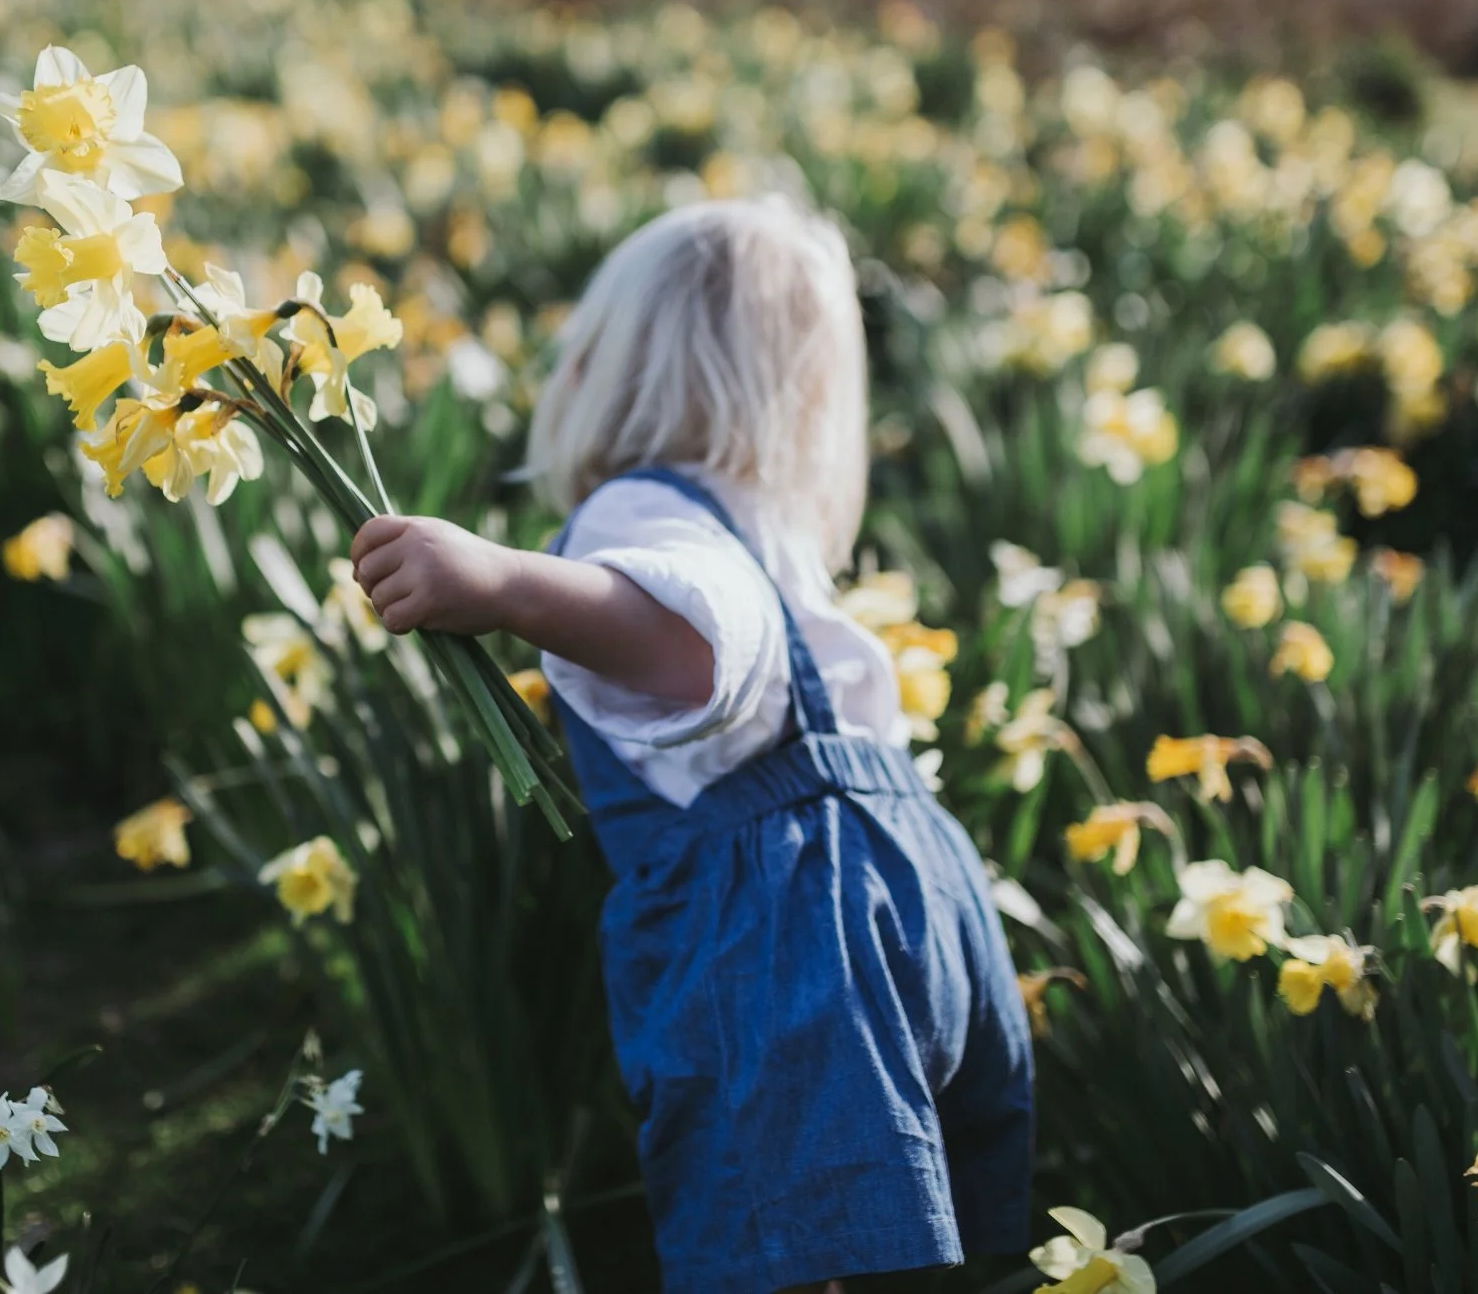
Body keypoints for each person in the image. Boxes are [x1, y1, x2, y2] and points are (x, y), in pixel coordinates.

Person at [350, 195, 1033, 1294]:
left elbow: (703, 643)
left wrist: (505, 581)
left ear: (607, 377)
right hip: (919, 893)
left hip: (790, 929)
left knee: (778, 1245)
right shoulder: (766, 523)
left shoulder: (641, 513)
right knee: (887, 1247)